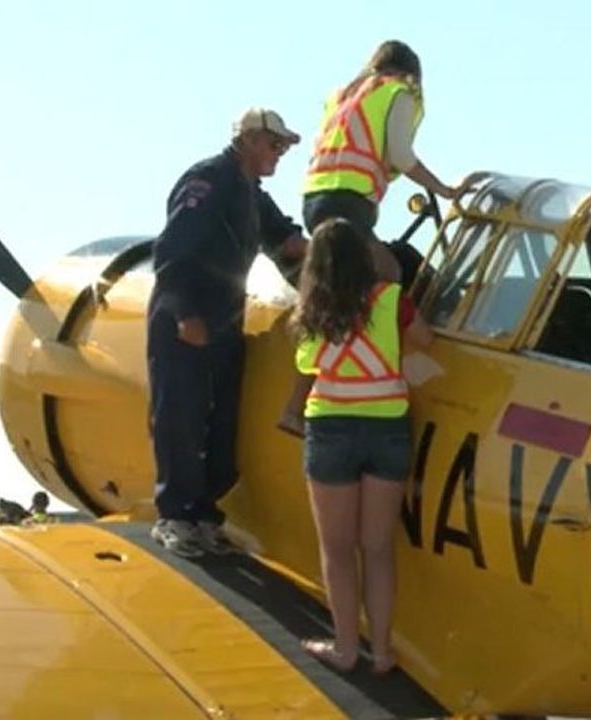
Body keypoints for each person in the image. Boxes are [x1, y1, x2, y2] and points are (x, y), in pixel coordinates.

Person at [278, 39, 464, 436]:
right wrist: (444, 190)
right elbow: (400, 155)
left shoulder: (348, 95)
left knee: (339, 286)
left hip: (318, 199)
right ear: (411, 73)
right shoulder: (399, 92)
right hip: (347, 202)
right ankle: (379, 374)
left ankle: (299, 403)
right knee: (389, 276)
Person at [148, 108, 307, 558]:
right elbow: (173, 251)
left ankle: (204, 514)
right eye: (276, 146)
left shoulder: (254, 195)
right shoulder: (208, 180)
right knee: (180, 416)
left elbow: (287, 242)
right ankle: (174, 515)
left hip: (226, 319)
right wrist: (184, 315)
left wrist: (333, 255)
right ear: (251, 140)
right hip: (187, 317)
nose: (280, 155)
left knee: (220, 422)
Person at [290, 218, 434, 674]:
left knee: (337, 550)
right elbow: (424, 340)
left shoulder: (313, 308)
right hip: (387, 429)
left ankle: (346, 648)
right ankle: (383, 653)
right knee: (377, 548)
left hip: (331, 428)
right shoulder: (393, 300)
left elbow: (306, 361)